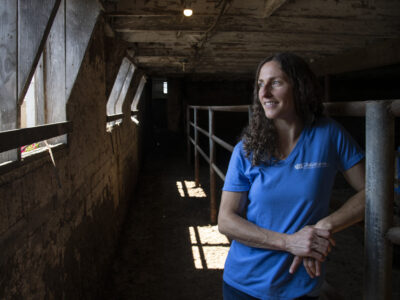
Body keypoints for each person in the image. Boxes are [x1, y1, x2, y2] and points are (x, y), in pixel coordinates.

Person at [218, 52, 365, 300]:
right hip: (244, 283)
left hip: (300, 287)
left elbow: (373, 190)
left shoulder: (328, 135)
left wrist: (324, 226)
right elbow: (226, 221)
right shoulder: (247, 149)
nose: (264, 94)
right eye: (260, 85)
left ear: (299, 88)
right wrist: (289, 242)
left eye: (275, 83)